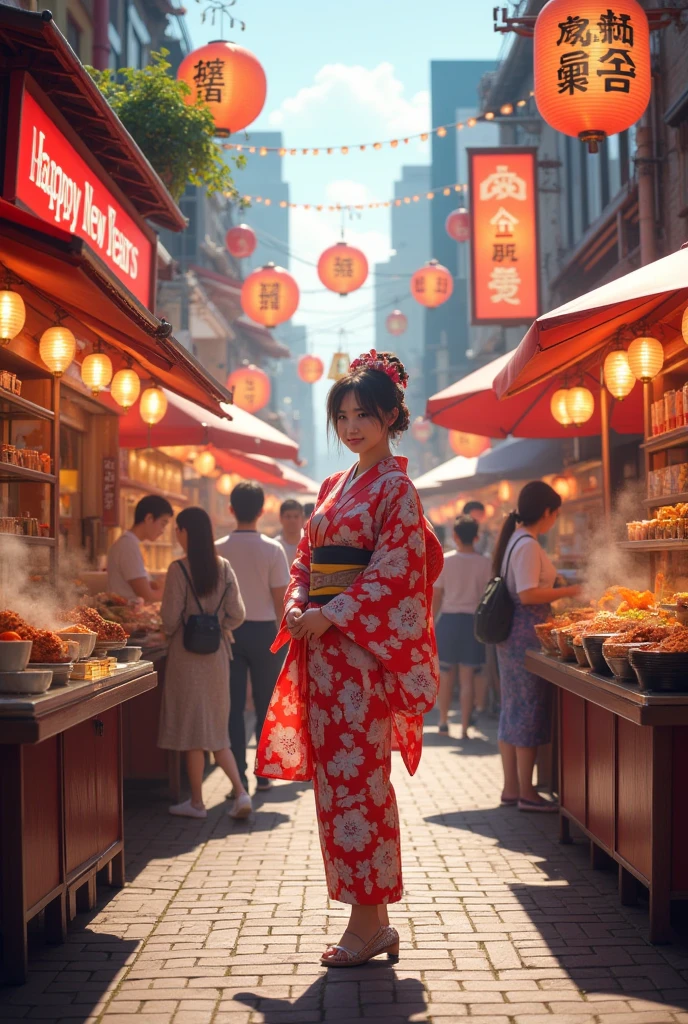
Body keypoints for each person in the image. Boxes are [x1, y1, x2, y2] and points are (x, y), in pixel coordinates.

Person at [256, 350, 443, 968]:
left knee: (362, 785)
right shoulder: (334, 487)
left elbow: (397, 570)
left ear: (392, 416)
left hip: (360, 661)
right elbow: (307, 558)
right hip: (323, 657)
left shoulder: (397, 489)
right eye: (342, 416)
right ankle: (375, 922)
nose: (352, 427)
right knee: (338, 788)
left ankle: (367, 924)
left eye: (365, 414)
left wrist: (331, 614)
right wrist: (295, 602)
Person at [158, 506, 251, 820]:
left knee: (190, 730)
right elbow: (238, 614)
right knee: (214, 731)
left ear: (185, 532)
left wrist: (172, 630)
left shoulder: (178, 569)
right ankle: (240, 792)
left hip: (186, 659)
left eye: (178, 529)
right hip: (216, 658)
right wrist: (220, 625)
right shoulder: (224, 567)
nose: (176, 534)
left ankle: (197, 802)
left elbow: (169, 618)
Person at [494, 481, 581, 812]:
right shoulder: (527, 544)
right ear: (547, 512)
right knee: (527, 708)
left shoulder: (516, 539)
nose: (554, 521)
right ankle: (527, 793)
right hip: (525, 632)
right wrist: (568, 593)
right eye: (555, 515)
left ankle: (511, 788)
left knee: (513, 707)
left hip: (515, 633)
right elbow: (529, 594)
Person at [216, 482, 290, 793]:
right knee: (264, 705)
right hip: (265, 632)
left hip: (228, 633)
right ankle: (263, 774)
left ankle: (238, 781)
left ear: (230, 510)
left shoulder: (216, 548)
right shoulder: (273, 550)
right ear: (262, 511)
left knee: (232, 707)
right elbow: (280, 600)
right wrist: (285, 638)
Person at [432, 515, 492, 740]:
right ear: (476, 537)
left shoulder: (446, 560)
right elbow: (488, 596)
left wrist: (431, 619)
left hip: (448, 621)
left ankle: (443, 722)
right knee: (468, 678)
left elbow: (437, 595)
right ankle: (465, 727)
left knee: (446, 675)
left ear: (455, 536)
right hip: (473, 622)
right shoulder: (485, 562)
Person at [107, 495, 173, 602]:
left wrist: (156, 584)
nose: (163, 530)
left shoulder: (130, 543)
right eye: (163, 523)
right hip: (126, 616)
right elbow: (147, 596)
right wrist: (170, 590)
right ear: (149, 518)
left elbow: (137, 585)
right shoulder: (128, 546)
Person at [276, 499, 305, 566]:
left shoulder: (309, 546)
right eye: (288, 516)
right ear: (280, 518)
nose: (292, 520)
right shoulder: (274, 547)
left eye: (296, 516)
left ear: (302, 519)